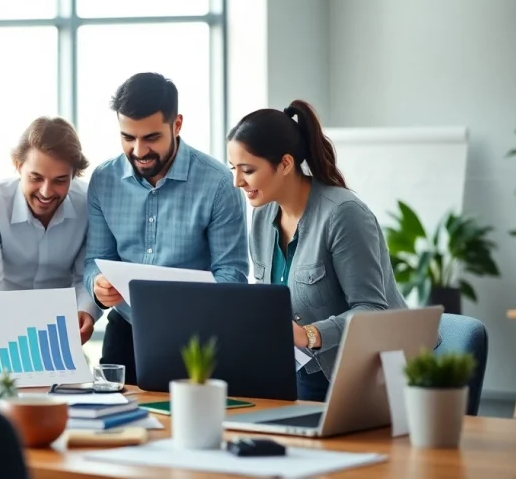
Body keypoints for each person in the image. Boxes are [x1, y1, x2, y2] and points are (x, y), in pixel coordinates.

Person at [226, 99, 408, 402]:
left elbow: (373, 310)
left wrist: (309, 334)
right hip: (295, 370)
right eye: (233, 169)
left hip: (360, 376)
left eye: (247, 170)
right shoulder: (261, 216)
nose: (237, 181)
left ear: (285, 163)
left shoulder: (343, 214)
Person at [84, 72, 249, 385]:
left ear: (177, 125)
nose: (138, 150)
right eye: (127, 137)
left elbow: (232, 275)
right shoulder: (103, 180)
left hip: (195, 339)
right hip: (125, 331)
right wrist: (97, 284)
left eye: (151, 138)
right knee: (119, 426)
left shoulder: (217, 183)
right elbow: (95, 259)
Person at [0, 116, 102, 343]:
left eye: (60, 180)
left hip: (61, 331)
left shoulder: (88, 204)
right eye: (36, 178)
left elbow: (85, 275)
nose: (46, 192)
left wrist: (86, 312)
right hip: (1, 325)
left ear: (74, 175)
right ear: (18, 165)